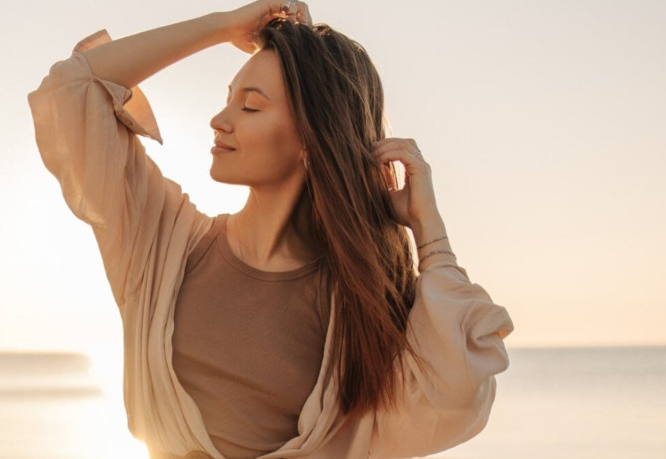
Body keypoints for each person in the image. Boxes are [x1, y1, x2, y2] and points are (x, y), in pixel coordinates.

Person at [28, 1, 513, 457]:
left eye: (251, 107)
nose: (220, 120)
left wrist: (430, 234)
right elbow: (74, 88)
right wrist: (224, 25)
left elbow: (457, 394)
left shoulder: (361, 301)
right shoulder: (162, 242)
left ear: (310, 140)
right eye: (227, 100)